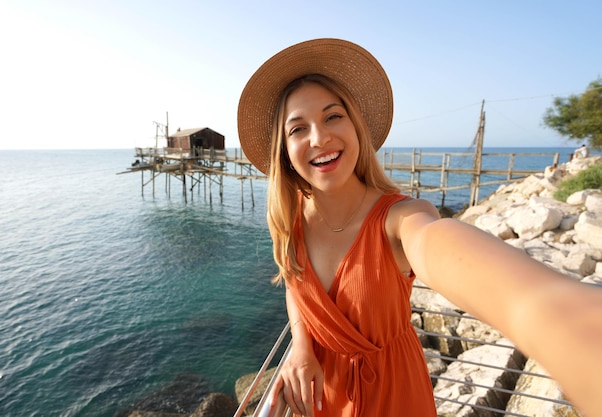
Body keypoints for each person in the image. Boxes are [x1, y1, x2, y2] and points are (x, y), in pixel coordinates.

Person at [237, 38, 602, 417]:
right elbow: (296, 284)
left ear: (356, 126)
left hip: (394, 396)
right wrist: (301, 345)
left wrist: (559, 317)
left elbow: (438, 244)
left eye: (333, 116)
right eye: (298, 129)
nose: (319, 138)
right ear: (284, 149)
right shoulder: (292, 217)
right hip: (324, 397)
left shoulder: (401, 219)